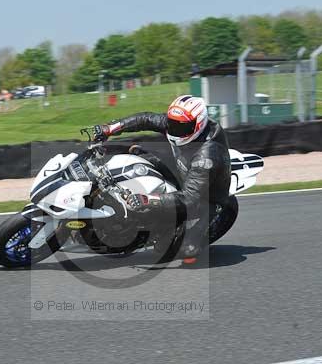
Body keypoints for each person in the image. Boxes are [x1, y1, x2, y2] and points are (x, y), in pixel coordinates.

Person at [91, 95, 231, 262]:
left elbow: (190, 198)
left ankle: (194, 234)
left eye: (182, 127)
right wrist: (111, 128)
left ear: (199, 125)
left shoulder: (207, 156)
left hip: (207, 200)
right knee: (137, 155)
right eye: (172, 123)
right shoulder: (179, 123)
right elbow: (144, 119)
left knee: (184, 250)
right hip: (182, 171)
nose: (175, 130)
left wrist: (148, 200)